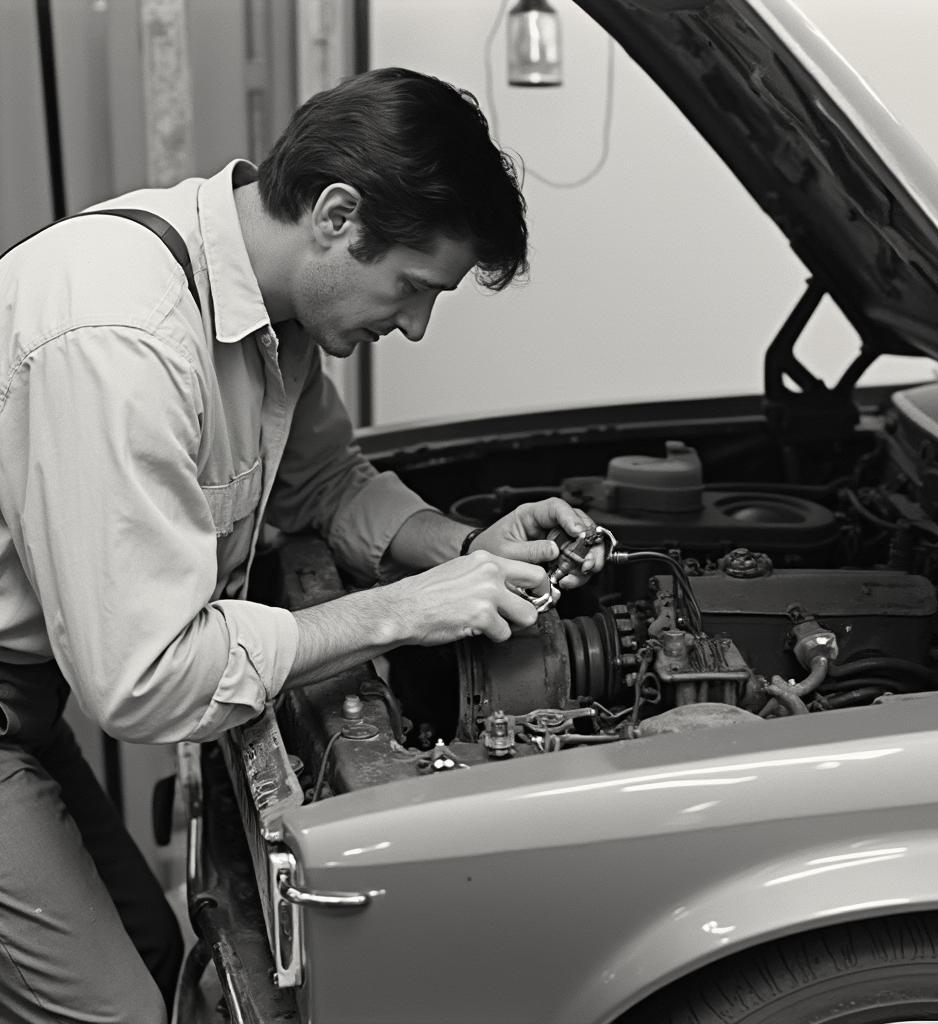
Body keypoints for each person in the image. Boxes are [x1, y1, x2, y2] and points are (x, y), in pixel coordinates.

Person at [0, 67, 604, 1024]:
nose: (413, 325)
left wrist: (461, 550)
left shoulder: (270, 316)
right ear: (335, 215)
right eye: (411, 288)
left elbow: (324, 484)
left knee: (157, 954)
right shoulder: (122, 339)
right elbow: (144, 679)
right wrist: (398, 614)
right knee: (112, 1015)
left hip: (30, 695)